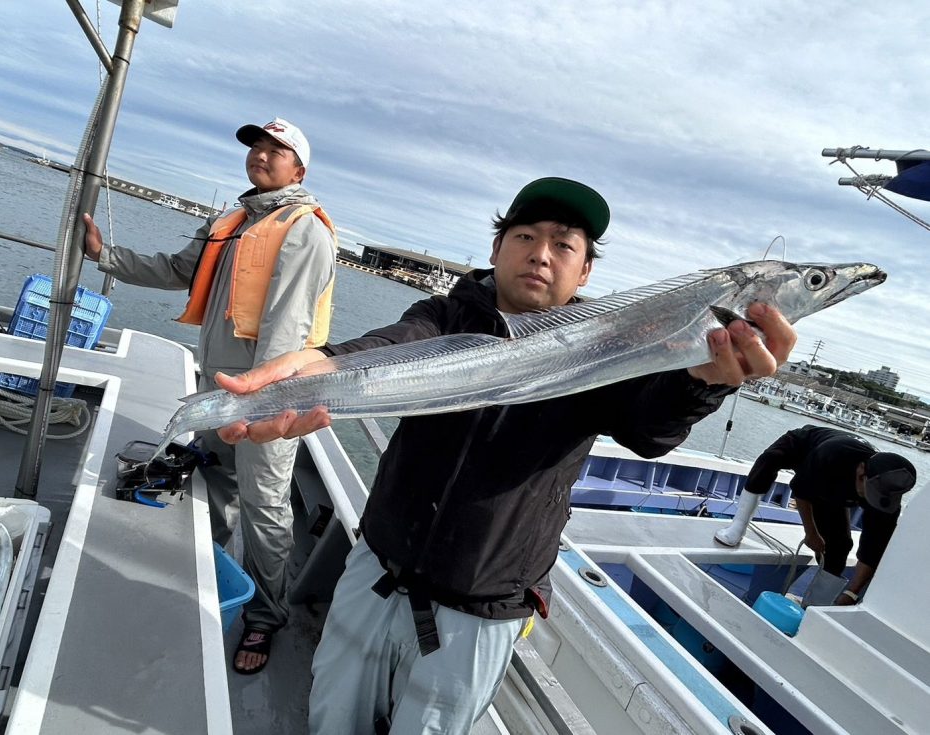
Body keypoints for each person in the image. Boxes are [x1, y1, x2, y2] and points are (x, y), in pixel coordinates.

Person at [214, 177, 796, 733]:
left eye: (563, 245)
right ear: (496, 249)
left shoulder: (607, 349)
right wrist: (324, 364)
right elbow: (393, 345)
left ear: (585, 269)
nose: (541, 254)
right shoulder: (446, 314)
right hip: (376, 568)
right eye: (525, 237)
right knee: (332, 712)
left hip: (483, 607)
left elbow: (649, 428)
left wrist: (705, 381)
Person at [82, 116, 337, 675]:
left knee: (266, 506)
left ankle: (266, 616)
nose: (262, 156)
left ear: (299, 168)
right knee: (217, 485)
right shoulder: (233, 219)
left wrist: (257, 402)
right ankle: (209, 575)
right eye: (256, 148)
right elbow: (178, 270)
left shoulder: (303, 229)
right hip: (216, 381)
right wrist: (106, 255)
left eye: (277, 150)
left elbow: (286, 330)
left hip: (264, 393)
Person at [714, 424, 917, 604]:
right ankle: (737, 527)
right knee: (769, 460)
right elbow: (801, 491)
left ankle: (815, 604)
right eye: (870, 491)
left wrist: (852, 593)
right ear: (861, 470)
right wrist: (811, 533)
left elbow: (874, 549)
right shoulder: (832, 455)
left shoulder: (886, 500)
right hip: (804, 447)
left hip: (836, 489)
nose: (871, 499)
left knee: (840, 546)